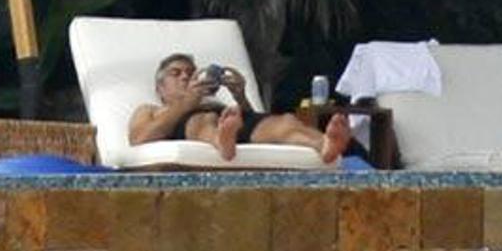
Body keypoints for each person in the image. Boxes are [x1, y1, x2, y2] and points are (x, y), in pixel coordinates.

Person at [128, 53, 350, 163]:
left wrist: (240, 96)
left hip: (228, 123)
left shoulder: (215, 105)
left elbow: (251, 120)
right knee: (202, 121)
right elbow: (139, 137)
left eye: (190, 72)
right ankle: (221, 140)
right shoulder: (150, 110)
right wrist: (187, 103)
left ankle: (324, 145)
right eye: (176, 73)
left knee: (285, 122)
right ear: (159, 88)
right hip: (197, 124)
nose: (185, 76)